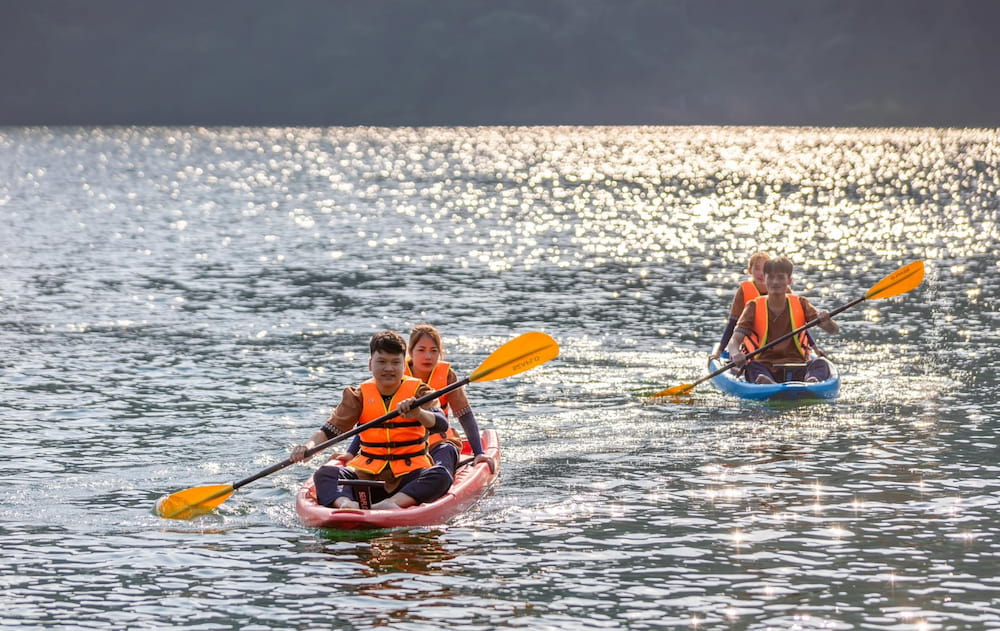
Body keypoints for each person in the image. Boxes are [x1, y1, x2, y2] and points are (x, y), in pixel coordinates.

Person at [289, 331, 453, 510]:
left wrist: (419, 413)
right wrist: (308, 447)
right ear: (370, 364)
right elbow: (329, 430)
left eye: (395, 362)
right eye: (381, 362)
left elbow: (441, 423)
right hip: (367, 476)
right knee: (325, 473)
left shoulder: (420, 392)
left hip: (409, 476)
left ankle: (393, 503)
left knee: (441, 474)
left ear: (404, 366)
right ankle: (346, 504)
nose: (389, 368)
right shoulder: (358, 396)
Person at [727, 256, 839, 384]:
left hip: (799, 366)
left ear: (789, 281)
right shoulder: (753, 306)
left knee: (821, 363)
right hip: (764, 367)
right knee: (751, 367)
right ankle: (767, 384)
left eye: (780, 277)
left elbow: (834, 330)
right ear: (765, 279)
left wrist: (827, 321)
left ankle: (812, 381)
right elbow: (734, 340)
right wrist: (735, 353)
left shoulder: (801, 303)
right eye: (771, 277)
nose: (775, 282)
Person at [404, 324, 495, 475]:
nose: (428, 356)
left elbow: (464, 414)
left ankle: (436, 479)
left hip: (439, 443)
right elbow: (374, 417)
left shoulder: (447, 375)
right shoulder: (396, 375)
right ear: (410, 352)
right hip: (405, 446)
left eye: (434, 351)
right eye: (421, 350)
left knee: (445, 455)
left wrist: (478, 452)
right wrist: (351, 453)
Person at [711, 252, 770, 360]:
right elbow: (733, 323)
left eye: (765, 269)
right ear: (750, 271)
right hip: (749, 346)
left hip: (775, 345)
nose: (761, 273)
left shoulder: (783, 289)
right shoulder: (744, 290)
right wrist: (719, 352)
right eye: (757, 269)